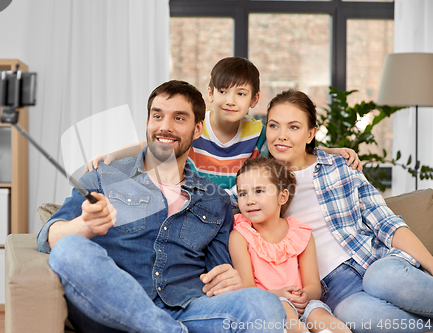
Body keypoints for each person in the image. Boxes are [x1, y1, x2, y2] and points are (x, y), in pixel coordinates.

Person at [37, 80, 286, 333]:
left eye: (179, 118)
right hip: (116, 310)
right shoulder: (104, 177)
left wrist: (228, 280)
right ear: (147, 122)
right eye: (157, 116)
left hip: (189, 311)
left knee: (264, 305)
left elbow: (218, 273)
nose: (165, 127)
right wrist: (84, 225)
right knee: (69, 247)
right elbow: (47, 239)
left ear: (197, 129)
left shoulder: (215, 200)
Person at [264, 89, 433, 333]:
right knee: (351, 313)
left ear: (311, 133)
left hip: (376, 263)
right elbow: (219, 200)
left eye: (293, 127)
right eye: (273, 126)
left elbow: (386, 223)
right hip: (335, 292)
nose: (281, 136)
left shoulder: (341, 166)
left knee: (380, 277)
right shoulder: (259, 185)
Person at [84, 57, 361, 194]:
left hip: (238, 204)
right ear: (211, 94)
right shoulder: (195, 126)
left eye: (240, 94)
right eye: (224, 92)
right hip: (198, 198)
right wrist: (112, 155)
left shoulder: (257, 131)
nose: (231, 101)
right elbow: (154, 143)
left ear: (254, 100)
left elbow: (288, 144)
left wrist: (332, 151)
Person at [229, 157, 352, 333]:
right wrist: (280, 294)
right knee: (285, 309)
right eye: (243, 193)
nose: (249, 200)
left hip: (304, 305)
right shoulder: (240, 236)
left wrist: (305, 295)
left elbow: (313, 286)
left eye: (259, 191)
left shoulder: (301, 235)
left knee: (322, 317)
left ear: (282, 196)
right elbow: (247, 291)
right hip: (268, 304)